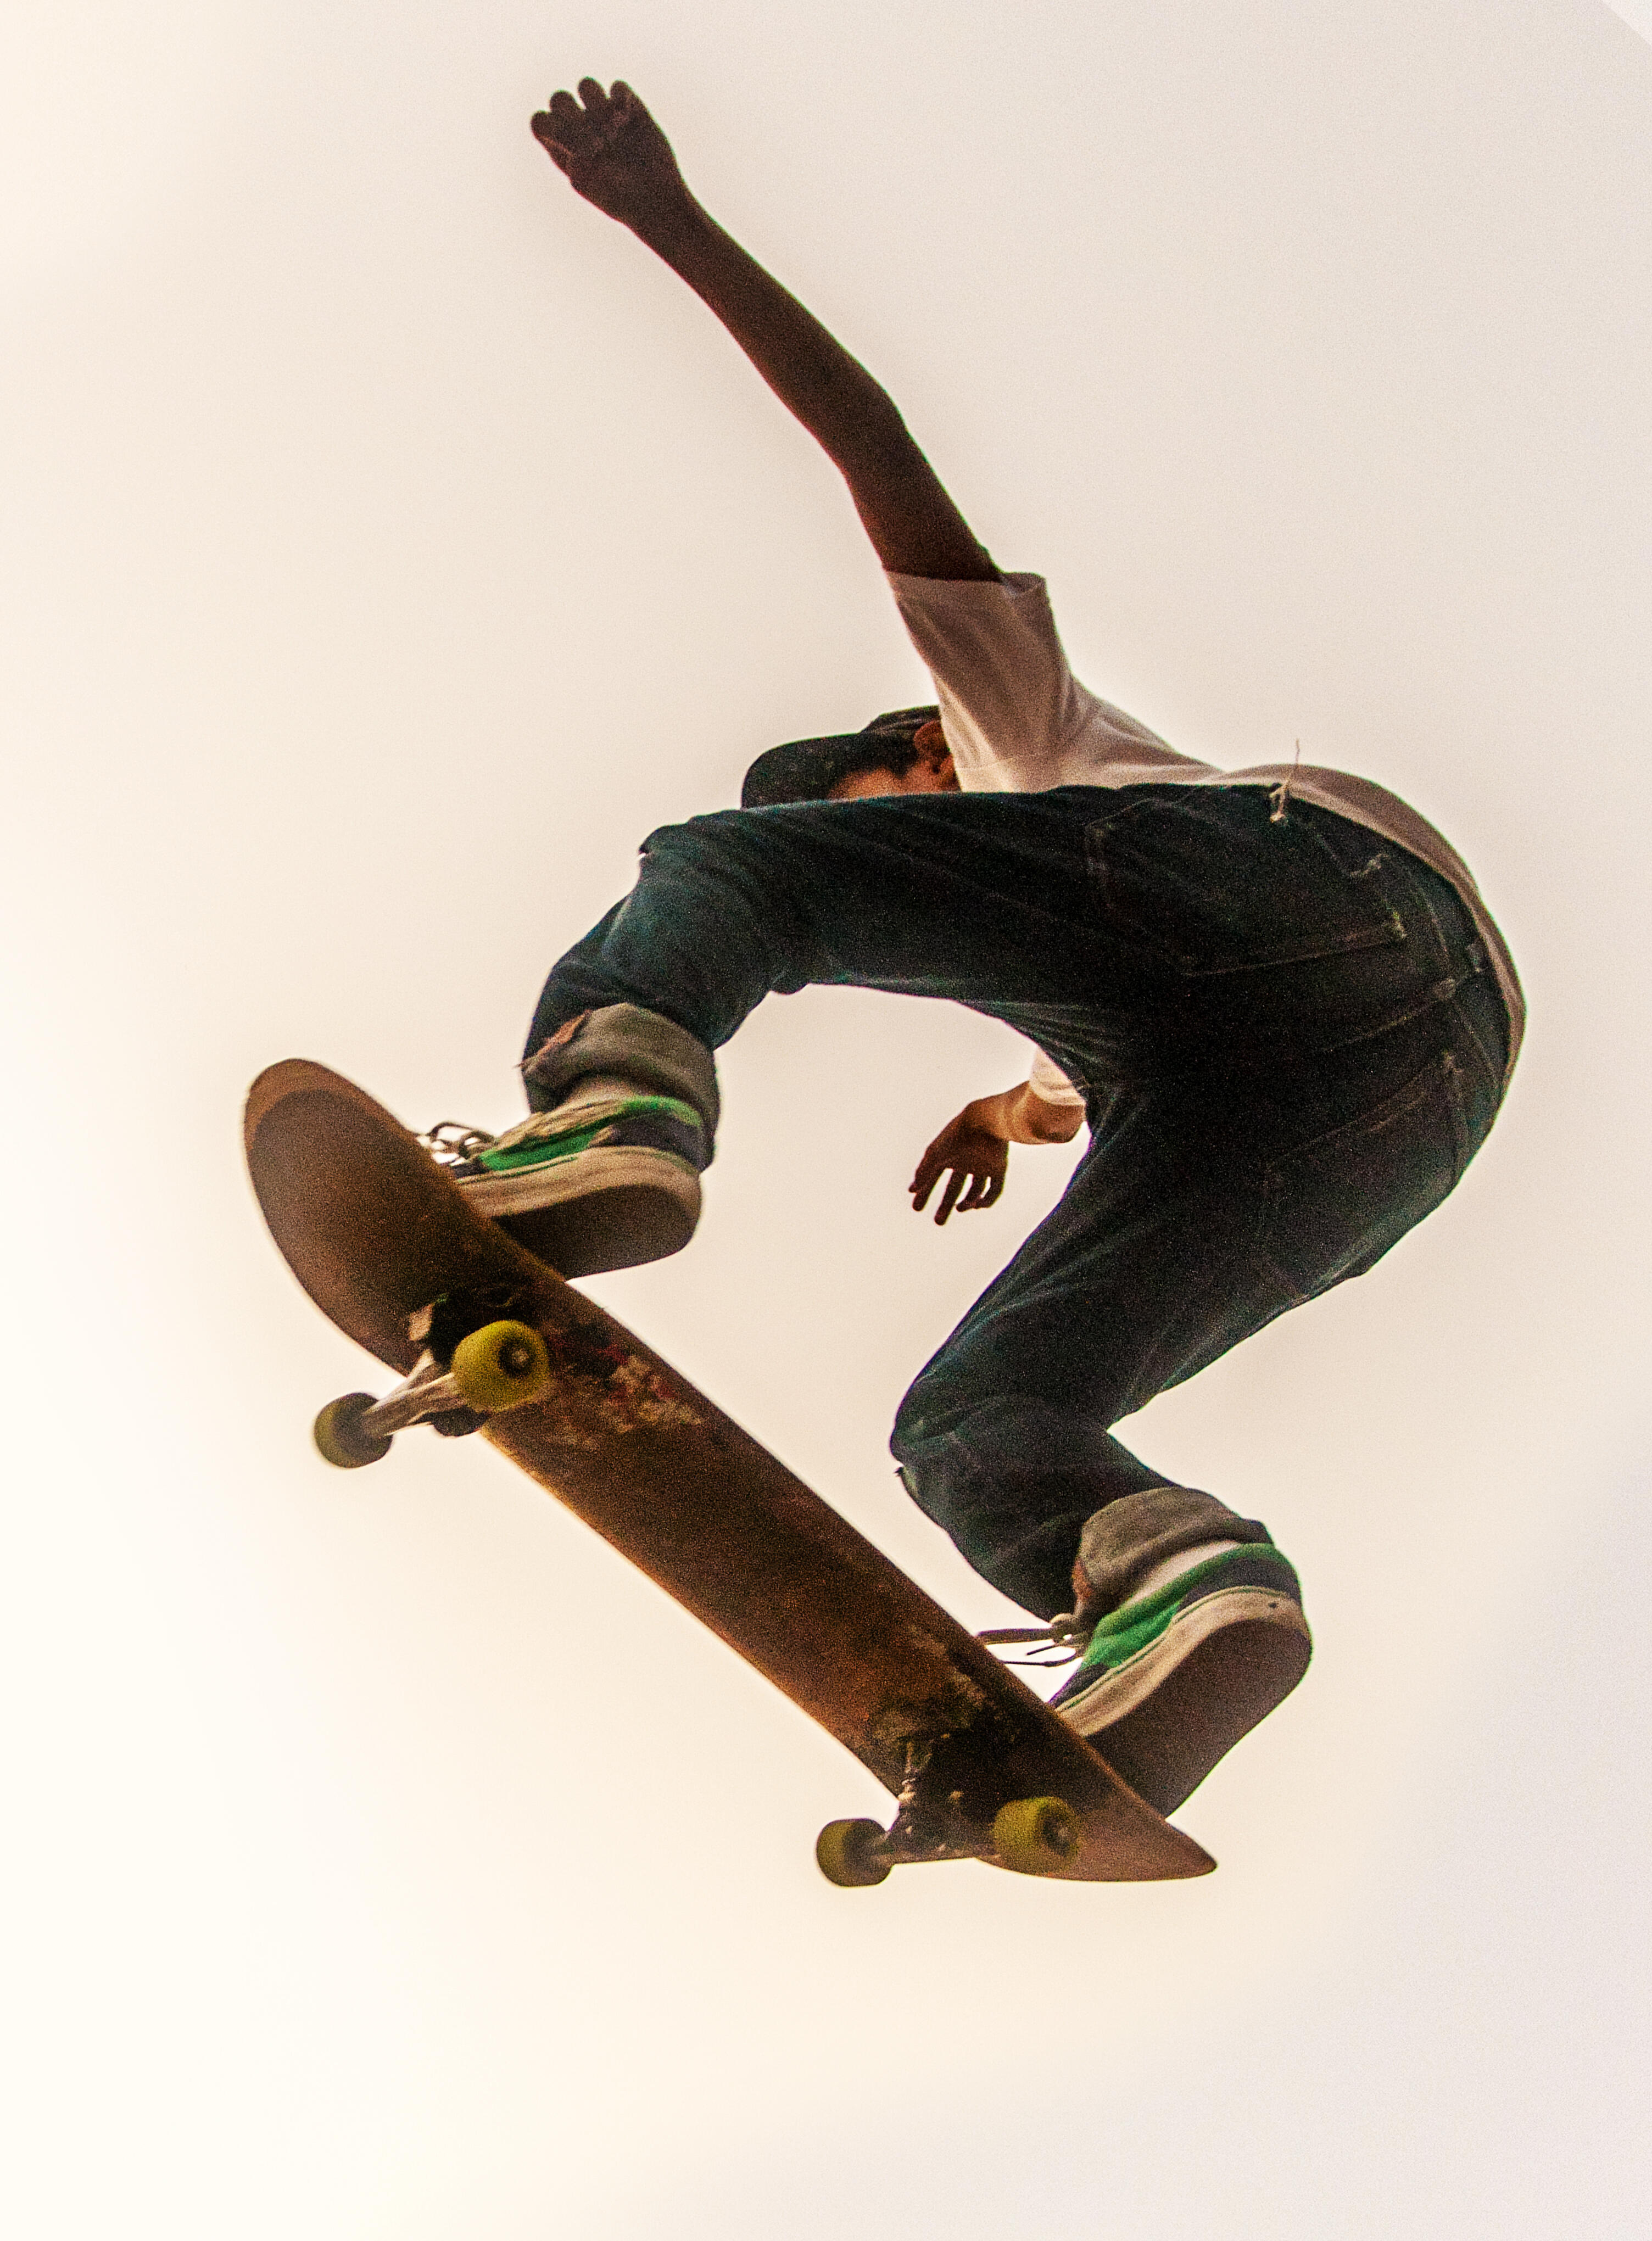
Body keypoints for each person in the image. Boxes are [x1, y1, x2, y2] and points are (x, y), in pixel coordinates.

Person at [457, 80, 1521, 1814]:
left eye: (880, 798)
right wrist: (998, 1119)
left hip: (1323, 898)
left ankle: (610, 1093)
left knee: (733, 868)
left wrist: (668, 218)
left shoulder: (1006, 721)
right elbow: (1050, 1101)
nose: (890, 831)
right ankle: (1167, 1577)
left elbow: (874, 448)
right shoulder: (1071, 1002)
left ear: (920, 758)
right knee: (969, 1420)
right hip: (1398, 1100)